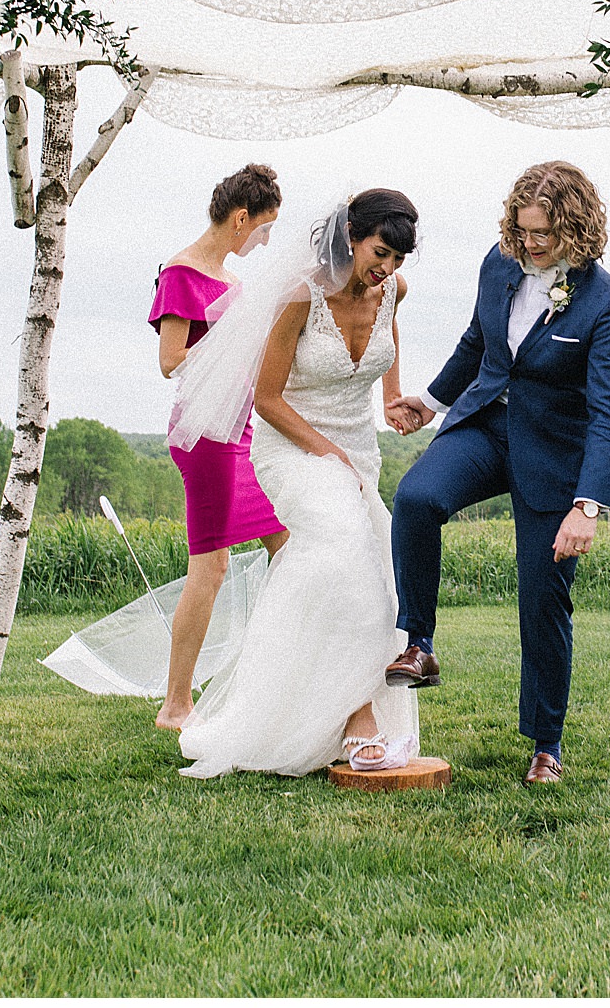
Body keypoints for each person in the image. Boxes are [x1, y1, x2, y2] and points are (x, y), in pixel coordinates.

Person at [385, 161, 610, 787]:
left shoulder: (606, 304)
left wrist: (589, 505)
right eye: (522, 231)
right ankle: (419, 642)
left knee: (543, 598)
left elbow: (609, 413)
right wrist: (433, 402)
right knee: (416, 498)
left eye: (543, 234)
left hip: (554, 456)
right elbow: (479, 342)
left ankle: (545, 744)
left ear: (575, 228)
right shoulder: (498, 265)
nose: (529, 244)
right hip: (486, 428)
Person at [167, 190, 425, 777]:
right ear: (351, 236)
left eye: (397, 260)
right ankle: (359, 715)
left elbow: (388, 344)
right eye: (379, 252)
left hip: (359, 452)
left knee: (367, 565)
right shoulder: (298, 296)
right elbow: (266, 399)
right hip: (292, 448)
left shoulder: (393, 293)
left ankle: (292, 709)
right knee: (341, 549)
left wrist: (391, 400)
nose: (385, 268)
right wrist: (327, 451)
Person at [148, 163, 291, 731]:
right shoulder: (182, 274)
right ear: (240, 220)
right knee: (210, 566)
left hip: (243, 431)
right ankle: (176, 703)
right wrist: (230, 352)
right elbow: (169, 362)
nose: (266, 240)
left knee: (289, 544)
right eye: (264, 228)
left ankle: (294, 678)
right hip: (203, 437)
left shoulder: (234, 282)